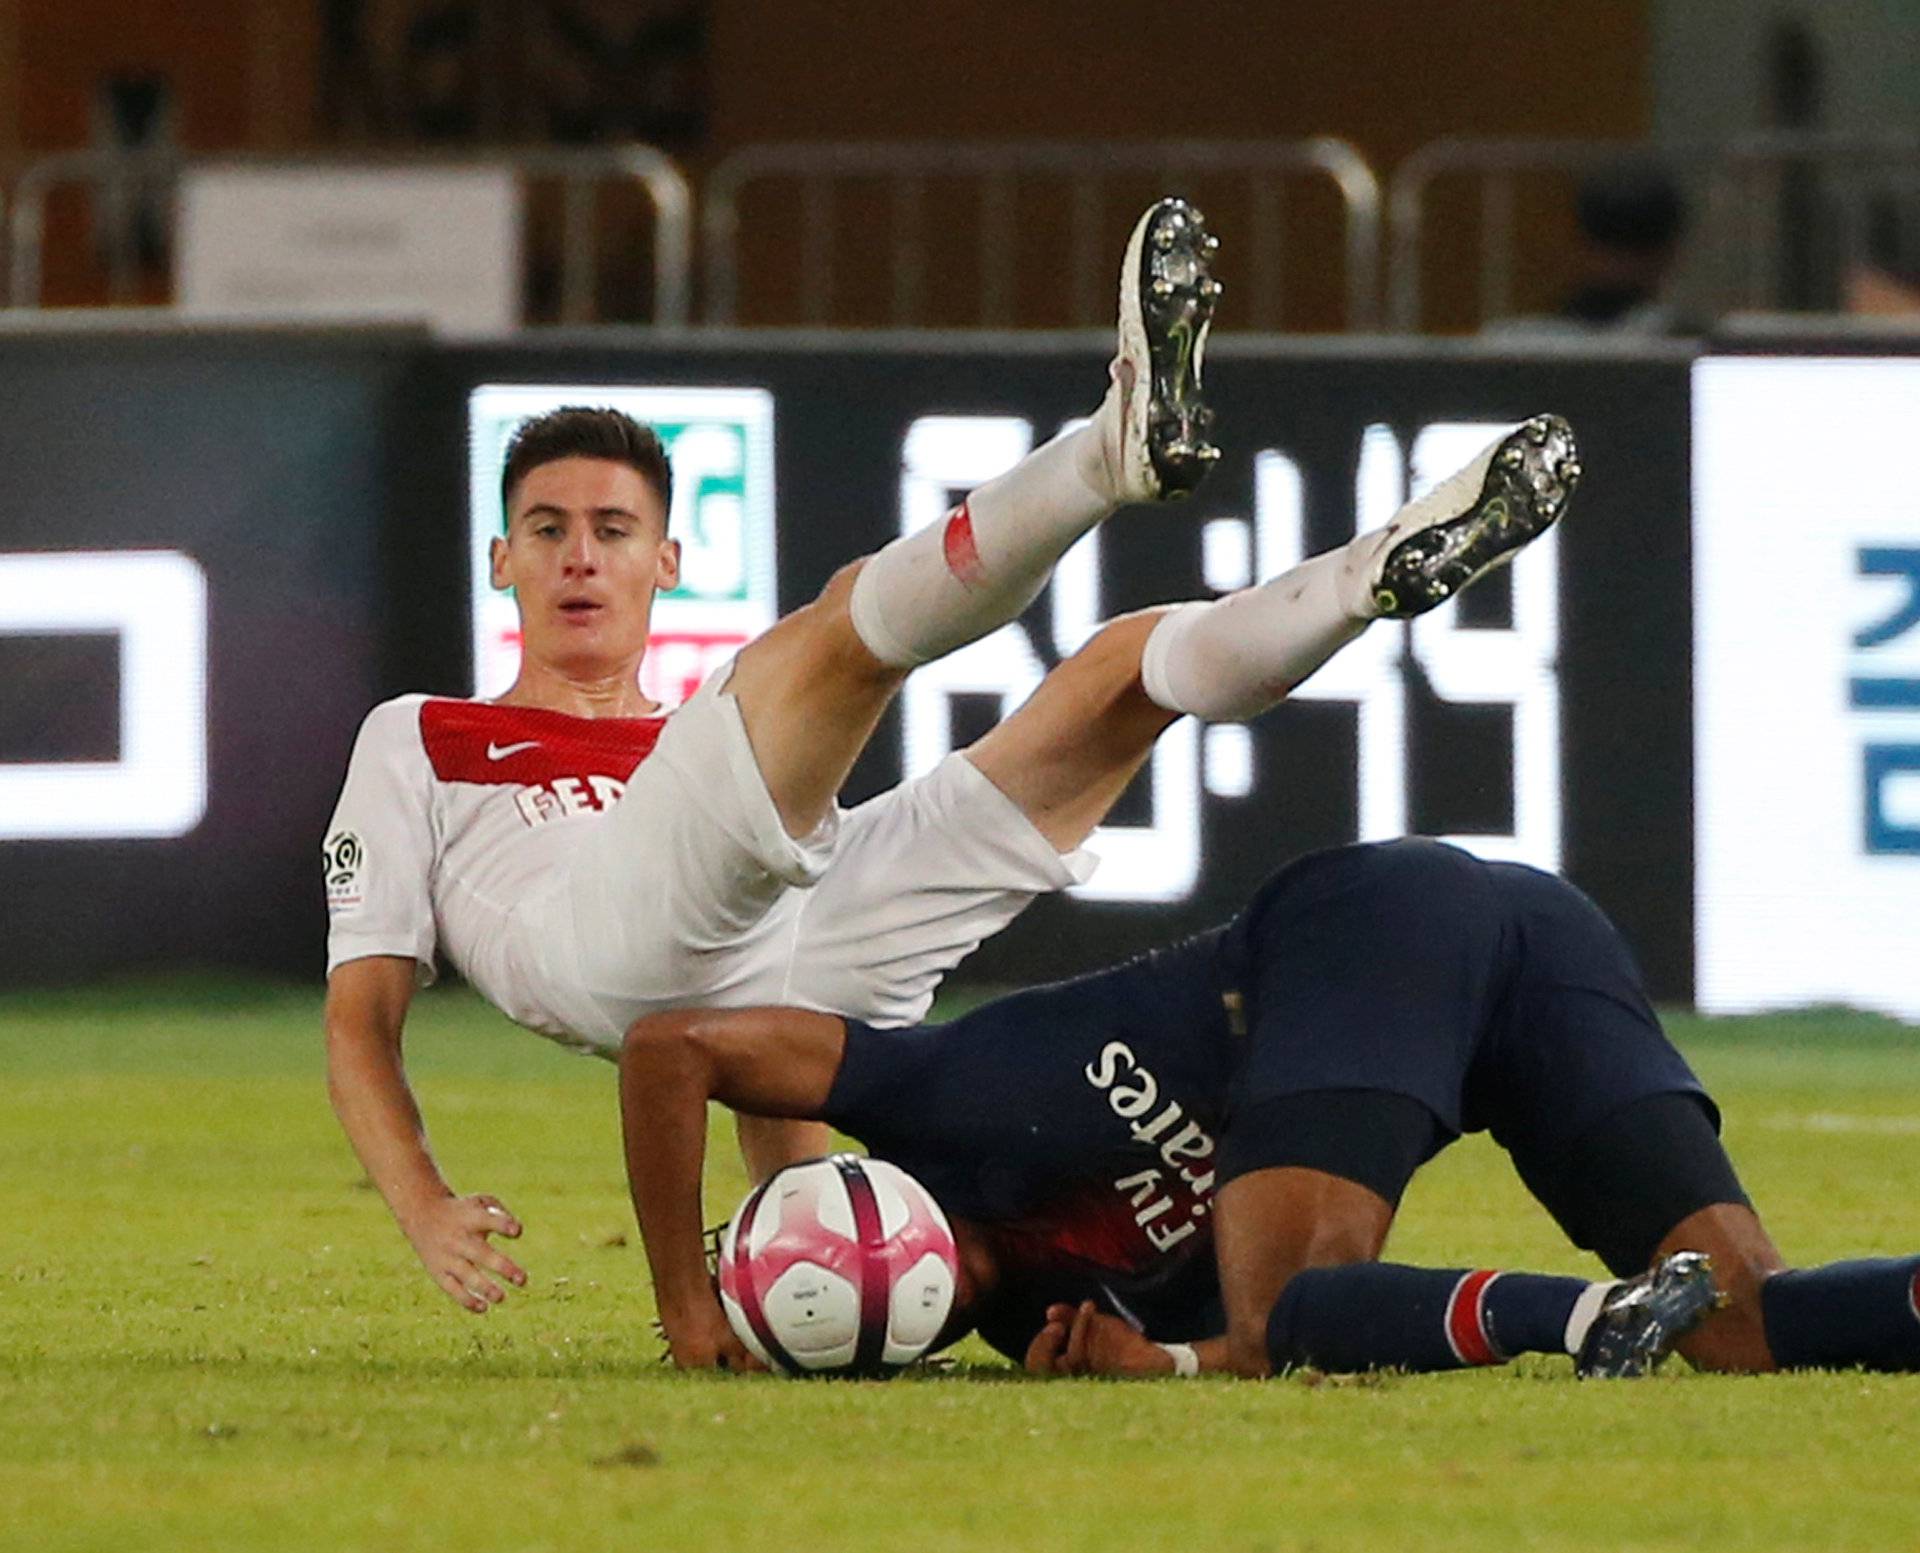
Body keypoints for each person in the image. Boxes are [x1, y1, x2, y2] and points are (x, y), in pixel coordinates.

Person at [322, 194, 1575, 1317]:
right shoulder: (421, 734)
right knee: (831, 646)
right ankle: (1105, 451)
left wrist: (801, 1253)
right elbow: (361, 1019)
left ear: (668, 562)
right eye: (546, 529)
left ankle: (1364, 579)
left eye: (611, 529)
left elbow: (777, 1045)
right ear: (502, 561)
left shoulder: (696, 743)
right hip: (596, 940)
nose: (579, 556)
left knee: (1119, 675)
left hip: (782, 923)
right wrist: (424, 1201)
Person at [621, 837, 1920, 1380]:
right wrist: (1168, 1368)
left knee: (1293, 1299)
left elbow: (671, 1046)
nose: (907, 1266)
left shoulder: (921, 1089)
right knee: (1744, 1322)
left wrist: (687, 1303)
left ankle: (1587, 1319)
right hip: (1521, 974)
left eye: (864, 1240)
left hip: (1375, 924)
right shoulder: (1052, 1333)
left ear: (866, 1186)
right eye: (883, 1294)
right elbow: (1230, 1361)